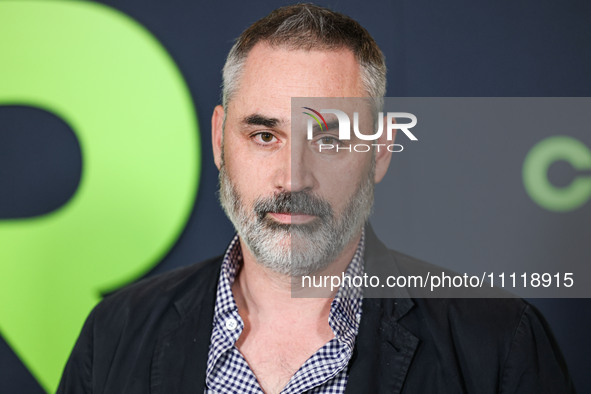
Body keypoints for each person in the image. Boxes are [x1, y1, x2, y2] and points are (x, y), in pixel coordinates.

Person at [58, 4, 574, 393]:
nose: (292, 178)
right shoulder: (115, 332)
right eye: (265, 136)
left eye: (327, 140)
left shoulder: (500, 343)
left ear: (379, 152)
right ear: (219, 140)